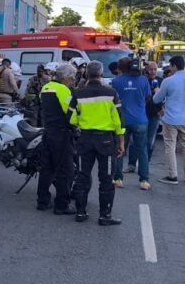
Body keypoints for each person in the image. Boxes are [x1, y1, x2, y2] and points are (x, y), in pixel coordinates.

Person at [68, 60, 124, 225]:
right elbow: (118, 121)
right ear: (101, 74)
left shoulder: (78, 94)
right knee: (106, 178)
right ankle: (104, 216)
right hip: (105, 141)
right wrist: (121, 142)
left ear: (86, 74)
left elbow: (71, 118)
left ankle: (81, 213)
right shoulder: (111, 93)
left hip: (84, 139)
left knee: (82, 176)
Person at [36, 62, 76, 214]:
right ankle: (61, 205)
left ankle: (42, 201)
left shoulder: (46, 87)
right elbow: (70, 114)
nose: (72, 81)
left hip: (48, 132)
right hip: (62, 134)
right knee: (65, 169)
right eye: (71, 78)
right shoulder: (63, 90)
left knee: (47, 168)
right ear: (65, 77)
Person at [152, 55, 185, 184]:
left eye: (170, 66)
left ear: (175, 66)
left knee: (170, 146)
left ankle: (173, 175)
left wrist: (157, 91)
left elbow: (157, 100)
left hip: (170, 119)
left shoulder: (168, 81)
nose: (170, 69)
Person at [111, 56, 151, 190]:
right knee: (142, 150)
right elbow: (147, 97)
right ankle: (144, 181)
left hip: (122, 120)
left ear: (120, 68)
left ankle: (117, 179)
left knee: (119, 149)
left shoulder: (116, 81)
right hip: (140, 120)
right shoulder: (143, 80)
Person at [127, 60, 162, 167]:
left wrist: (162, 107)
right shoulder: (141, 80)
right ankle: (131, 164)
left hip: (155, 114)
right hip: (140, 114)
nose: (153, 71)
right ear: (146, 70)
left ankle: (145, 164)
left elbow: (166, 96)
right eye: (151, 69)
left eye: (155, 69)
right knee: (134, 140)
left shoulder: (160, 81)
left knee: (150, 140)